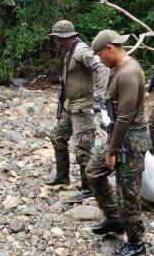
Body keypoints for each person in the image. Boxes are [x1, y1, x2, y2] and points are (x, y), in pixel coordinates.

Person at [86, 29, 151, 256]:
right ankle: (114, 218)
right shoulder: (119, 70)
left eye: (99, 55)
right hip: (116, 134)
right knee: (93, 172)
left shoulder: (129, 73)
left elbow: (126, 116)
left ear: (110, 48)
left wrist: (112, 151)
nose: (99, 60)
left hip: (130, 140)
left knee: (127, 192)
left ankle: (136, 243)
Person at [47, 20, 110, 203]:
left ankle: (88, 188)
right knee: (57, 136)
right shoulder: (70, 51)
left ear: (63, 37)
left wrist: (98, 96)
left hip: (83, 107)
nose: (55, 41)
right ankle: (62, 176)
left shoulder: (82, 51)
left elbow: (103, 69)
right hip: (71, 105)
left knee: (83, 147)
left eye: (56, 38)